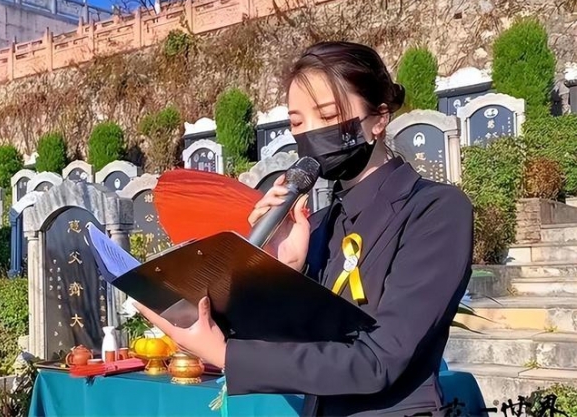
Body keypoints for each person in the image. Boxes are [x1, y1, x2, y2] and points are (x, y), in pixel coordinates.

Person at [136, 41, 474, 416]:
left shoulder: (435, 210)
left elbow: (379, 360)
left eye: (327, 116)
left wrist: (226, 354)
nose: (310, 134)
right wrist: (280, 268)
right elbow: (295, 344)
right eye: (297, 123)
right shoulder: (317, 225)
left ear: (379, 118)